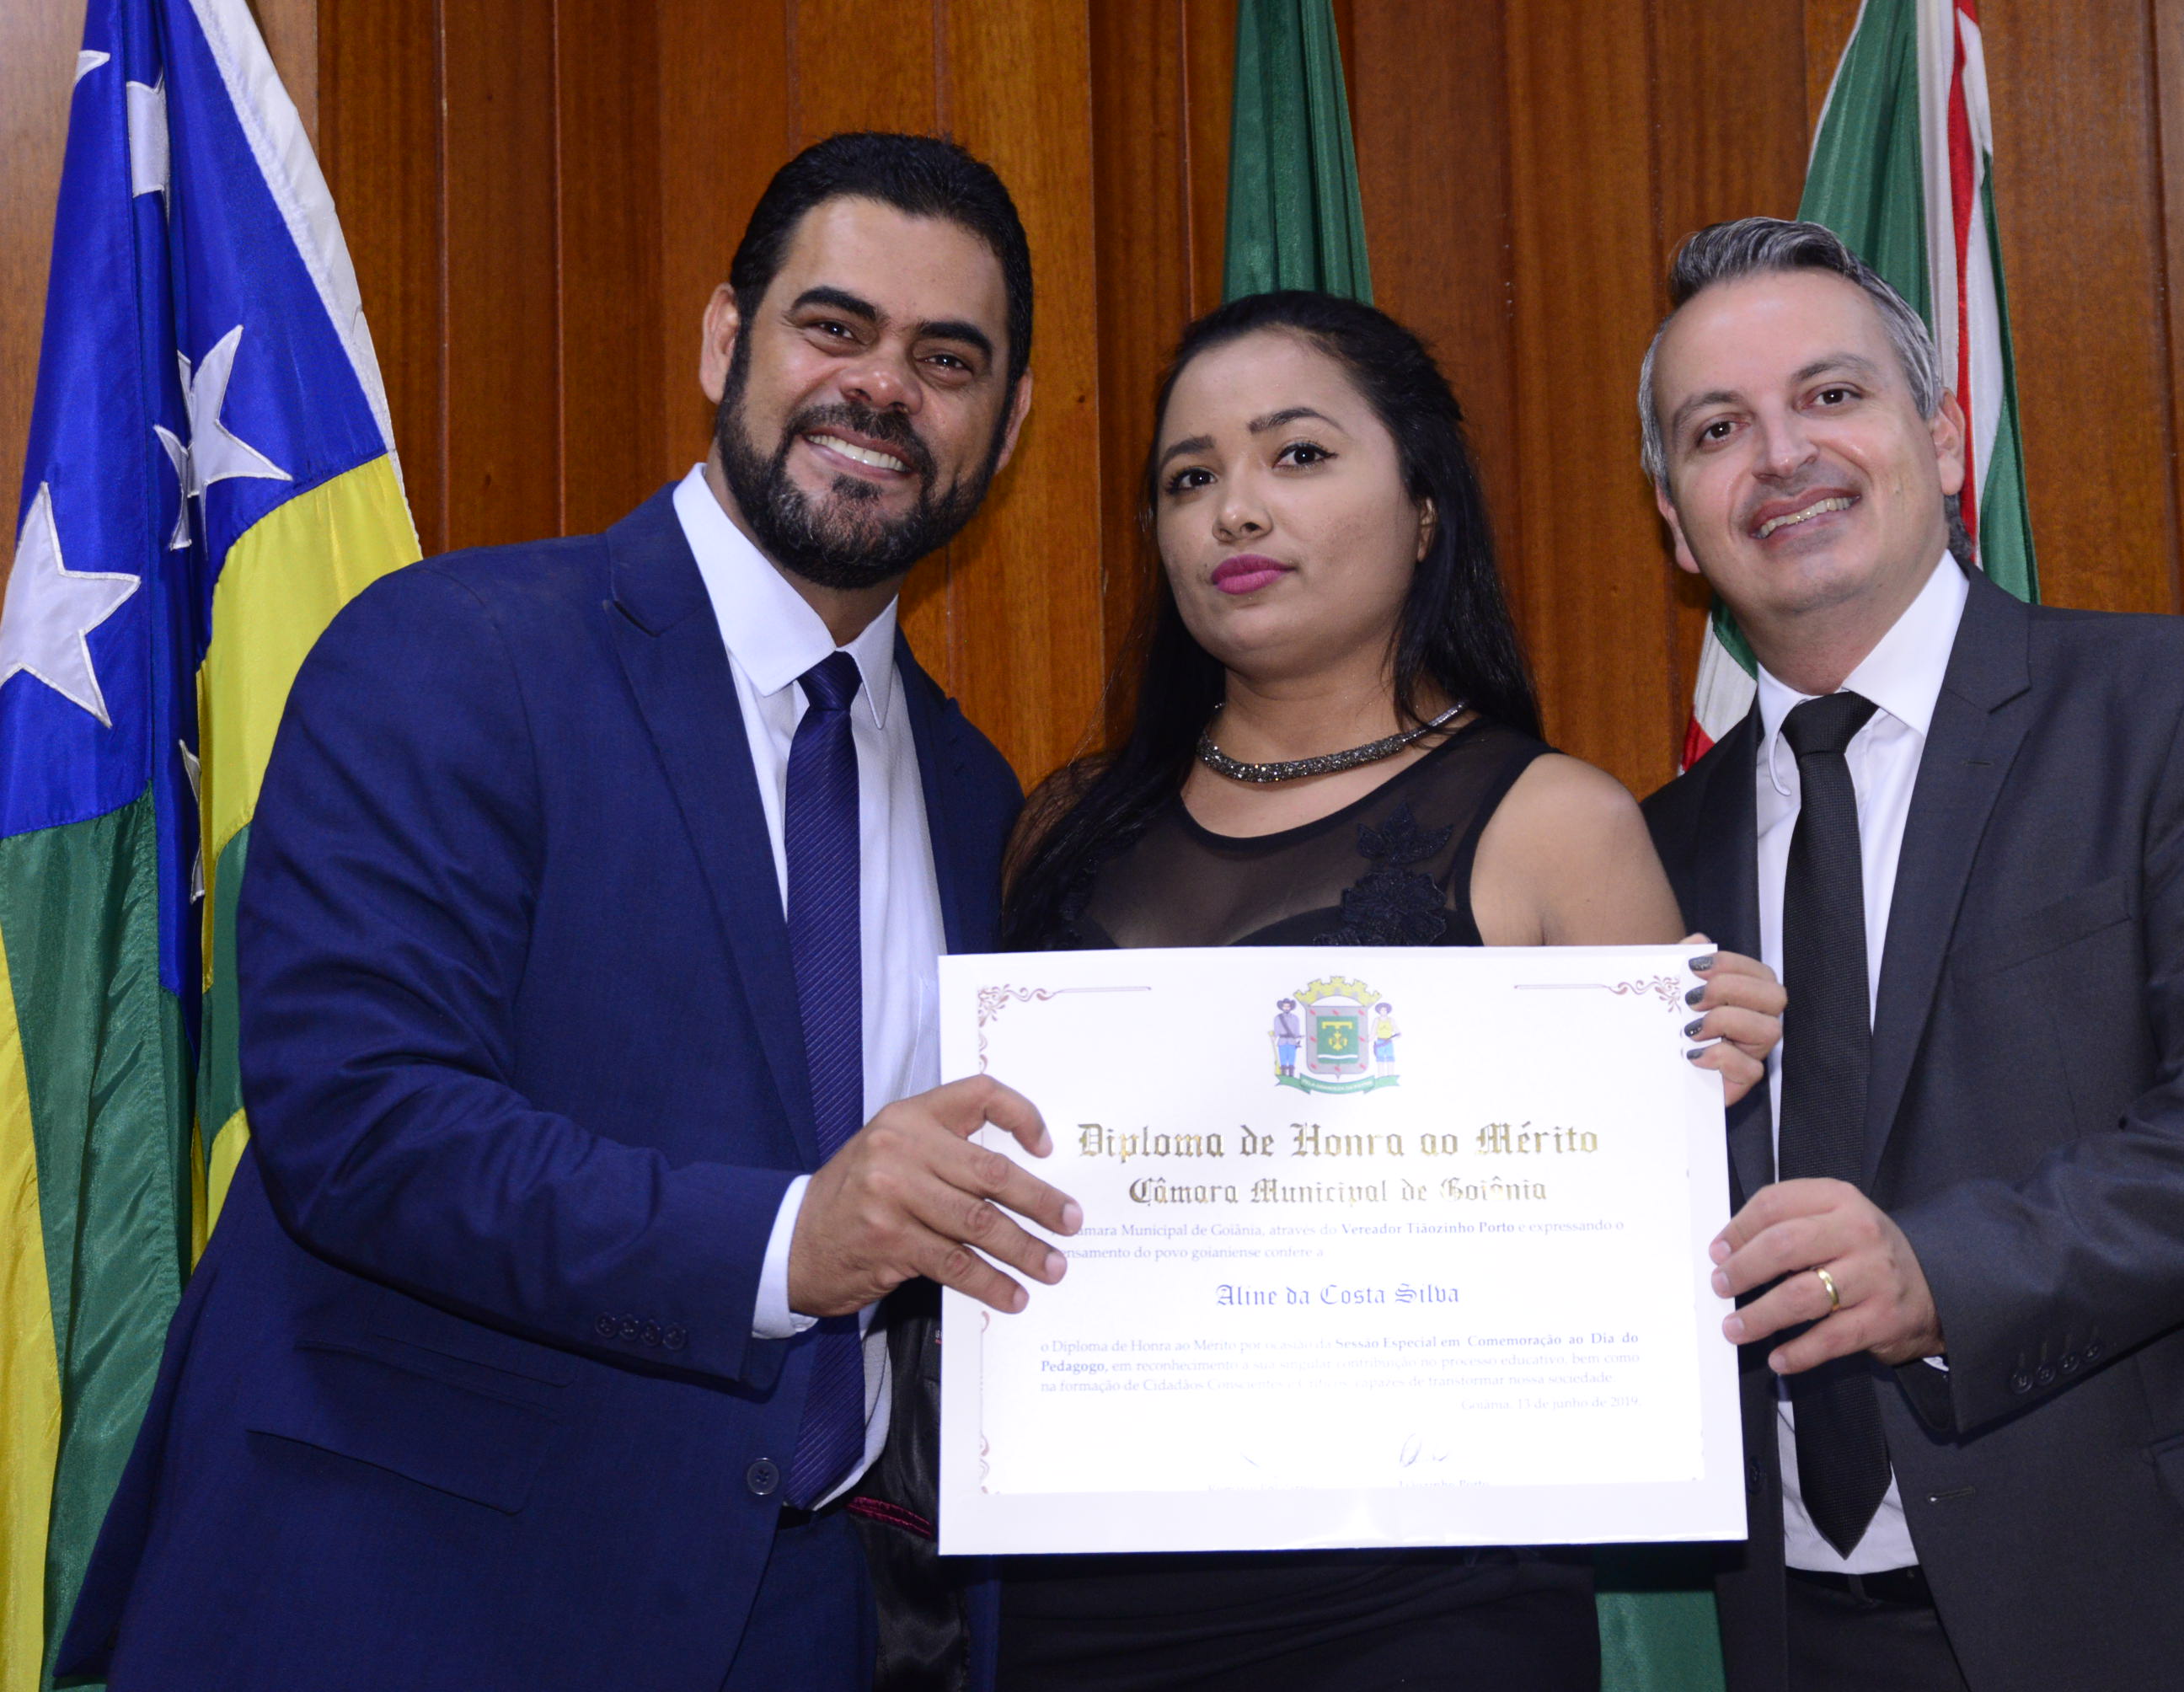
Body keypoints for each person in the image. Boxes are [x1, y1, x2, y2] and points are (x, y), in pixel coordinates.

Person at [57, 132, 1080, 1692]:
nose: (882, 387)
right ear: (725, 340)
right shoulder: (453, 652)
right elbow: (364, 1124)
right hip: (414, 1608)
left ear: (1004, 430)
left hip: (816, 1623)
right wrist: (791, 1241)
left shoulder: (978, 796)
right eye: (834, 326)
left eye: (947, 360)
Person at [1633, 217, 2184, 1691]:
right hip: (1806, 1635)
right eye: (1718, 429)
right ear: (1673, 518)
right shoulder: (1642, 861)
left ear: (1944, 439)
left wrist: (1941, 1275)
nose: (1781, 455)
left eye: (1831, 395)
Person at [999, 288, 1785, 1691]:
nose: (1236, 510)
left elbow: (1663, 1288)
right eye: (1190, 479)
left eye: (1298, 455)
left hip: (1435, 1606)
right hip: (1086, 1593)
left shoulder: (1558, 826)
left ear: (1425, 510)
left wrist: (1699, 1105)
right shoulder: (1061, 831)